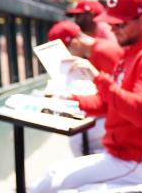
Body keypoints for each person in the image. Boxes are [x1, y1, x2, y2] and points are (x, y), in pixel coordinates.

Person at [29, 0, 142, 193]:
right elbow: (106, 103)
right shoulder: (131, 52)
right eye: (111, 23)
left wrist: (99, 78)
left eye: (120, 24)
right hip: (122, 156)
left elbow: (141, 112)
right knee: (43, 185)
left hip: (136, 162)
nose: (112, 29)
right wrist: (69, 100)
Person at [47, 20, 123, 156]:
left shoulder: (103, 52)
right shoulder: (94, 51)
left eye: (65, 52)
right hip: (112, 114)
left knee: (76, 139)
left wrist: (76, 100)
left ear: (75, 43)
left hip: (123, 121)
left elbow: (114, 100)